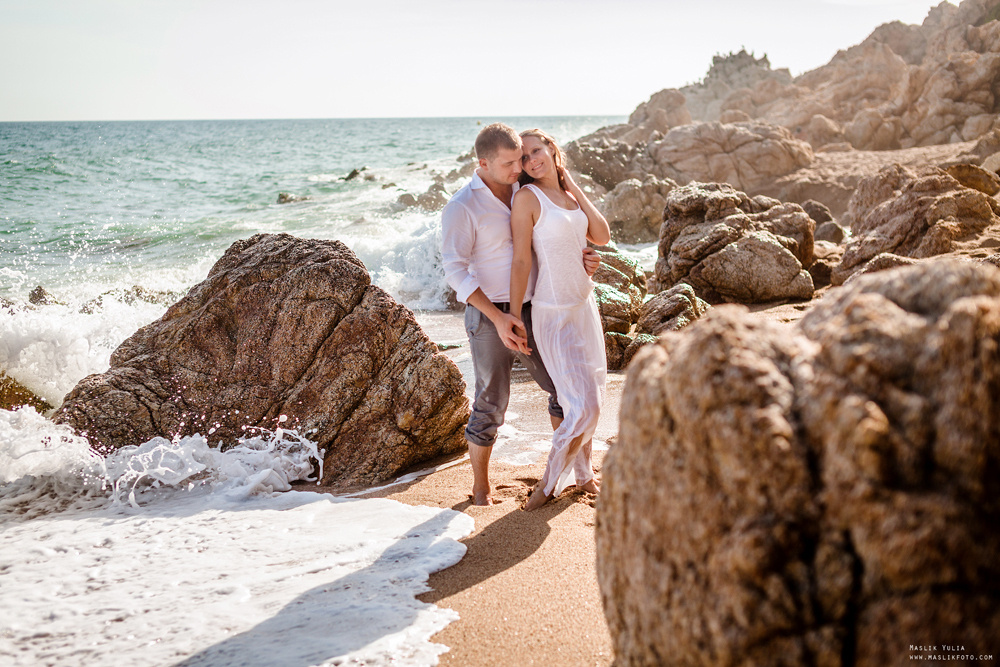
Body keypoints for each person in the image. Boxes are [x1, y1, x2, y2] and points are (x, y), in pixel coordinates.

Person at [440, 123, 601, 506]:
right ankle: (481, 487)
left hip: (537, 310)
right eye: (511, 162)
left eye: (521, 159)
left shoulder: (522, 190)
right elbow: (455, 271)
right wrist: (499, 319)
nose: (520, 168)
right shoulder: (462, 206)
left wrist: (584, 258)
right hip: (488, 315)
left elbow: (551, 238)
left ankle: (575, 473)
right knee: (491, 402)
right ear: (483, 162)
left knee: (563, 392)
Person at [509, 128, 611, 511]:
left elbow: (600, 234)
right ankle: (547, 485)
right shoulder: (526, 198)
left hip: (585, 306)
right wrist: (515, 315)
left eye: (537, 151)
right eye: (523, 158)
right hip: (552, 313)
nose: (531, 160)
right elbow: (521, 260)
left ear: (552, 149)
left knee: (593, 394)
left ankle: (584, 475)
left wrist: (572, 185)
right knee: (584, 406)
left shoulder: (569, 196)